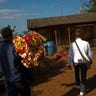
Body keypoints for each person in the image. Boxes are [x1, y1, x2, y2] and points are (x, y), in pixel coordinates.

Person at [0, 26, 31, 96]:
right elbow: (23, 59)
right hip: (19, 79)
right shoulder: (14, 46)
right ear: (10, 35)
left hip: (7, 80)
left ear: (2, 36)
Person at [67, 28, 93, 96]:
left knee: (76, 72)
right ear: (81, 35)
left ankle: (78, 85)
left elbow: (70, 55)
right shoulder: (86, 43)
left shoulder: (72, 44)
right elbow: (90, 53)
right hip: (84, 62)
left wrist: (69, 63)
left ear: (75, 36)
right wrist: (90, 60)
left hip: (75, 62)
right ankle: (82, 91)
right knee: (83, 76)